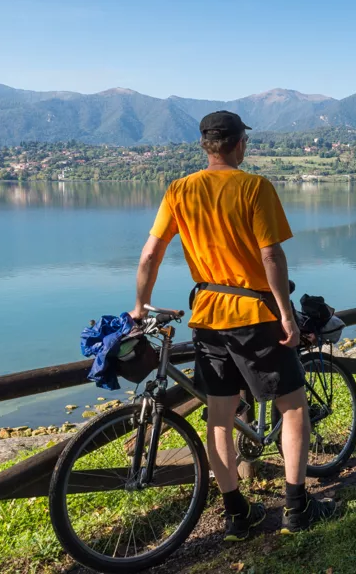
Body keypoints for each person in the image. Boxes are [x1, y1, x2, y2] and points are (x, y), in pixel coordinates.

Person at [129, 110, 335, 541]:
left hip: (206, 317)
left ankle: (237, 514)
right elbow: (271, 257)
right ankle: (297, 507)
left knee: (219, 419)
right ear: (240, 143)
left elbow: (150, 255)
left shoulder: (178, 190)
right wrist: (284, 312)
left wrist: (140, 305)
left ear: (206, 145)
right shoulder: (254, 187)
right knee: (293, 407)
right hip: (254, 317)